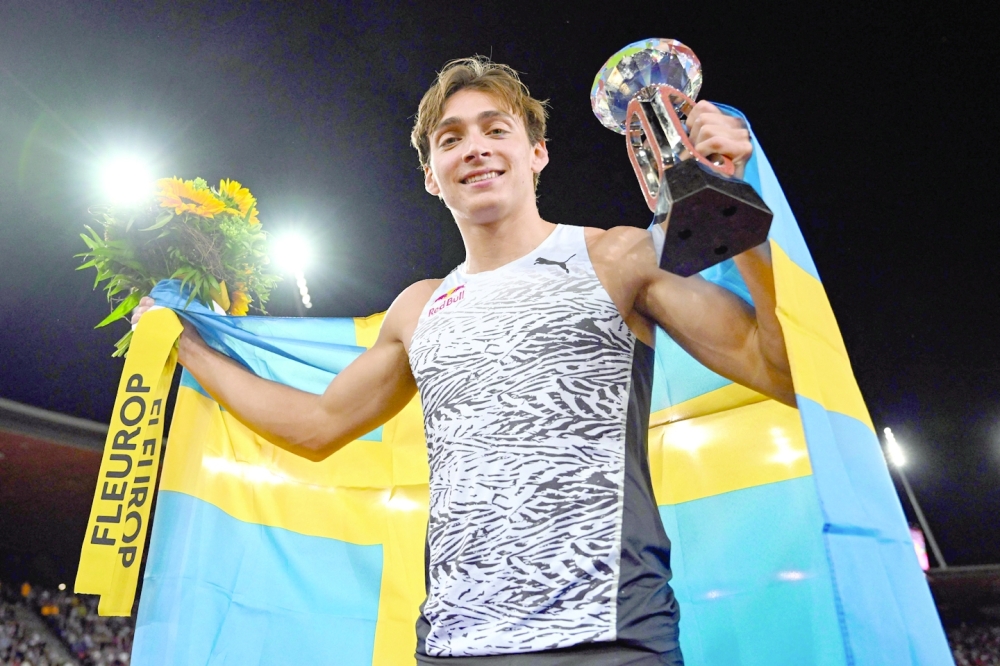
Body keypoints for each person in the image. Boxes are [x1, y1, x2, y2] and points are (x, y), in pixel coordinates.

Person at [132, 57, 793, 665]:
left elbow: (784, 372)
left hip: (611, 638)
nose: (474, 147)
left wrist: (736, 206)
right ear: (431, 175)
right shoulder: (418, 308)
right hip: (455, 646)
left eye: (495, 129)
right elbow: (316, 426)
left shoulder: (619, 258)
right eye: (450, 139)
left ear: (536, 153)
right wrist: (185, 345)